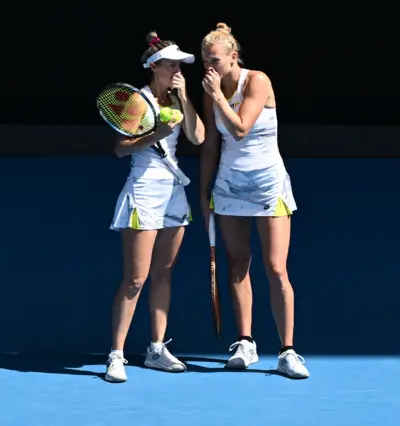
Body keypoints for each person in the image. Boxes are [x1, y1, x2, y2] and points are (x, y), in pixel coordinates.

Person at [199, 22, 309, 379]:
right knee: (237, 265)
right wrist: (205, 193)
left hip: (267, 186)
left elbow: (241, 127)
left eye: (215, 60)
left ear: (234, 56)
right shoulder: (209, 88)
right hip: (229, 186)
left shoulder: (257, 81)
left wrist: (217, 96)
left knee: (276, 268)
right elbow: (211, 146)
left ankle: (288, 351)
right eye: (205, 62)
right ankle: (245, 343)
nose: (209, 68)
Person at [105, 31, 205, 383]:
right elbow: (121, 148)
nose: (178, 69)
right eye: (172, 64)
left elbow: (198, 136)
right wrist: (156, 134)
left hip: (173, 194)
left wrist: (184, 97)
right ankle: (116, 356)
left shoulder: (179, 99)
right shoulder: (137, 102)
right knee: (135, 279)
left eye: (181, 65)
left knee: (164, 275)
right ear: (154, 67)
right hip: (144, 190)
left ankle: (156, 349)